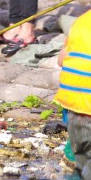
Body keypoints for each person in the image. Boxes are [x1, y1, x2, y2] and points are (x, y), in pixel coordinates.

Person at [55, 9, 91, 179]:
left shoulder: (80, 22)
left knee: (79, 162)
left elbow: (61, 60)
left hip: (71, 103)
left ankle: (71, 158)